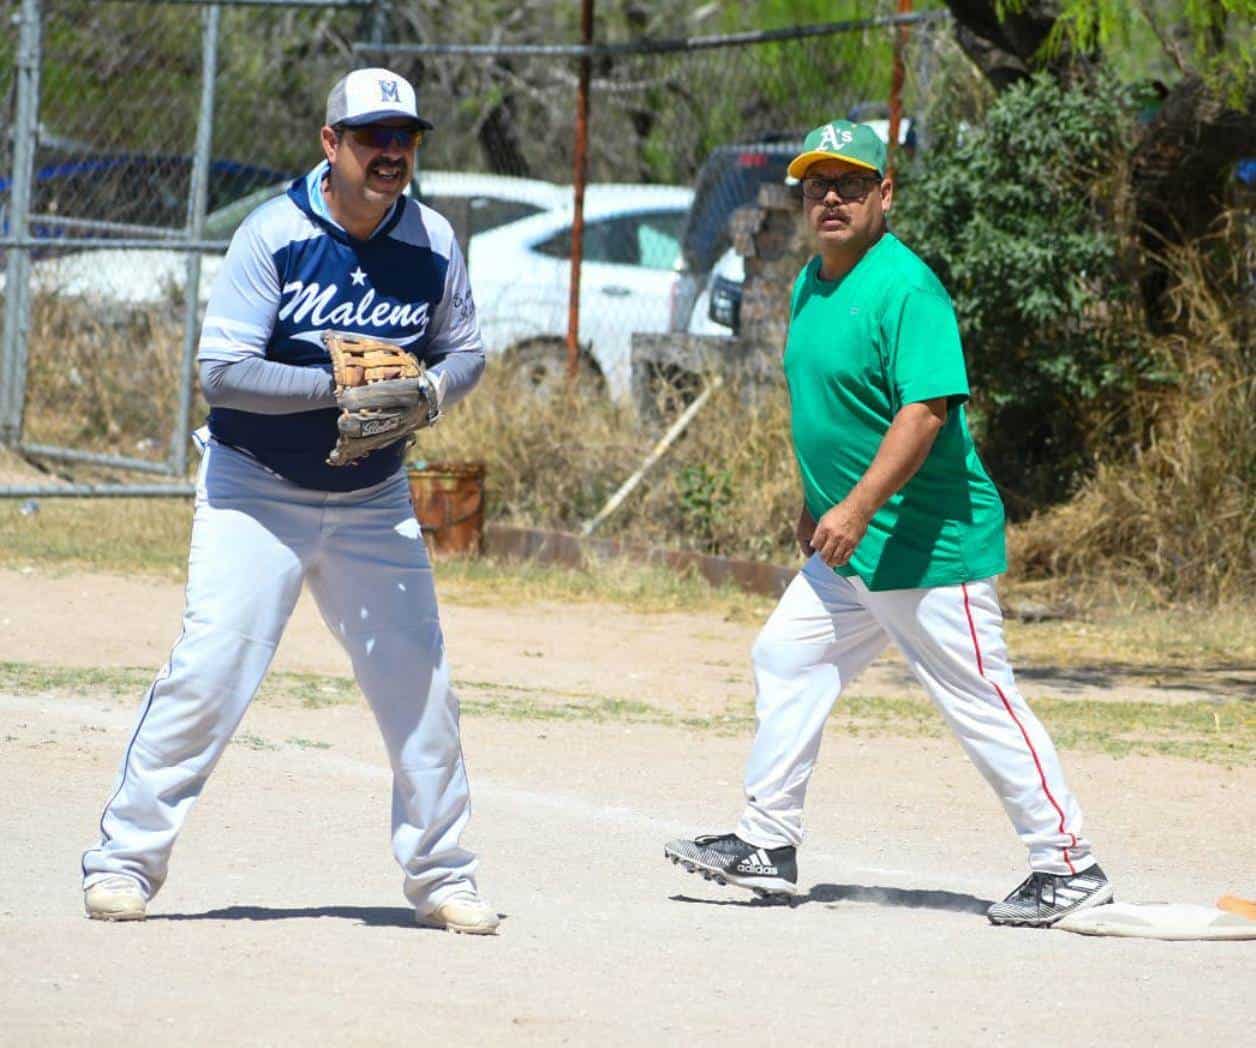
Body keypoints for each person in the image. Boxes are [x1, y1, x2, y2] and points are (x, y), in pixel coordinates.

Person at [81, 68, 500, 935]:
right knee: (211, 671)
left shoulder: (434, 241)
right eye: (372, 136)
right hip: (254, 491)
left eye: (405, 138)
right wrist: (335, 385)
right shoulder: (273, 234)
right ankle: (124, 861)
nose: (391, 152)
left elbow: (465, 351)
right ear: (330, 144)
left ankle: (443, 876)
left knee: (420, 685)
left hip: (372, 495)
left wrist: (427, 394)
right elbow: (222, 374)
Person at [664, 120, 1113, 928]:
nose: (830, 198)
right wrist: (818, 498)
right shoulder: (813, 281)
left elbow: (924, 410)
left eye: (851, 184)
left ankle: (1068, 862)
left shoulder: (907, 287)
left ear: (885, 195)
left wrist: (856, 504)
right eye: (816, 185)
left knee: (979, 701)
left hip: (926, 544)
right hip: (850, 550)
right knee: (786, 655)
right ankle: (769, 844)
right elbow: (835, 406)